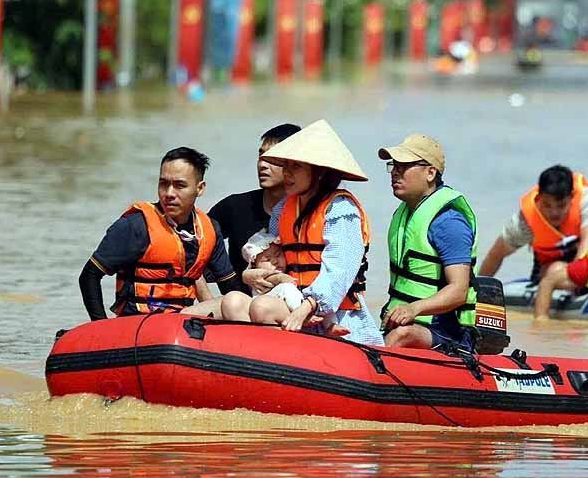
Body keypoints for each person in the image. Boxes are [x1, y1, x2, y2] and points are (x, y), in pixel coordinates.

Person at [220, 120, 384, 346]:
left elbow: (339, 272)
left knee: (261, 306)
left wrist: (308, 306)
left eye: (295, 167)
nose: (286, 173)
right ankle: (257, 364)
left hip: (330, 313)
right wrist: (251, 274)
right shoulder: (283, 209)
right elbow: (272, 254)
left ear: (319, 172)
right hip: (289, 298)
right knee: (233, 301)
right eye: (285, 166)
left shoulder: (341, 209)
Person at [78, 147, 243, 320]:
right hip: (137, 323)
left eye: (180, 185)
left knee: (236, 301)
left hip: (181, 323)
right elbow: (89, 276)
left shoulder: (209, 229)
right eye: (164, 184)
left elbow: (230, 287)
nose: (169, 193)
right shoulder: (136, 226)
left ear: (199, 189)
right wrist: (101, 327)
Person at [377, 134, 479, 351]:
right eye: (394, 165)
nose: (395, 171)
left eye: (404, 166)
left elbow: (459, 291)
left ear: (431, 172)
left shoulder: (449, 222)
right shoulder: (404, 214)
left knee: (403, 335)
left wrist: (414, 309)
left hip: (447, 331)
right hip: (403, 323)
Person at [208, 123, 301, 289]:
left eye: (272, 158)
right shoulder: (234, 207)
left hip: (296, 305)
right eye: (261, 155)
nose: (262, 164)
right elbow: (192, 247)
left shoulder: (312, 213)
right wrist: (226, 280)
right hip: (236, 306)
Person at [478, 165, 588, 283]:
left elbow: (587, 246)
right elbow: (496, 254)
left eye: (561, 205)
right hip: (548, 269)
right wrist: (475, 292)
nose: (554, 212)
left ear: (571, 197)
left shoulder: (586, 201)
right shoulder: (525, 222)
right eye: (547, 205)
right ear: (539, 198)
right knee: (555, 269)